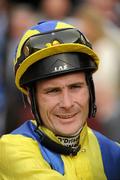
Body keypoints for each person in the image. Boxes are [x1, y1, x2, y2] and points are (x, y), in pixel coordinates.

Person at [0, 20, 120, 180]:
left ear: (90, 89)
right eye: (53, 91)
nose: (67, 103)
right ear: (30, 97)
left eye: (75, 87)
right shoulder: (10, 149)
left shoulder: (111, 151)